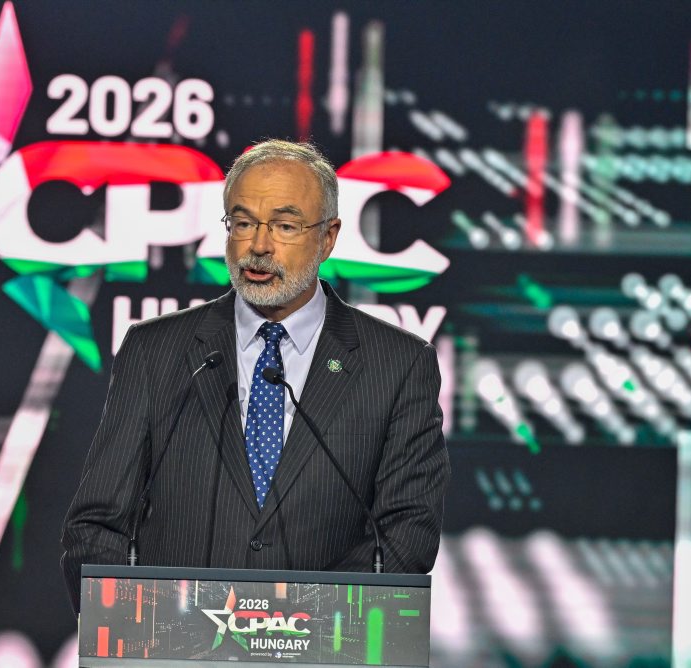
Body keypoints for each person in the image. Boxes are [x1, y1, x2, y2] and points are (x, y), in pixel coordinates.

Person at [61, 139, 449, 610]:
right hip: (175, 642)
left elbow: (406, 537)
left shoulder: (399, 365)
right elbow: (97, 527)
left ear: (328, 237)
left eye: (285, 226)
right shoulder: (154, 352)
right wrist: (137, 627)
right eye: (243, 223)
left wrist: (293, 627)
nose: (259, 246)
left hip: (318, 645)